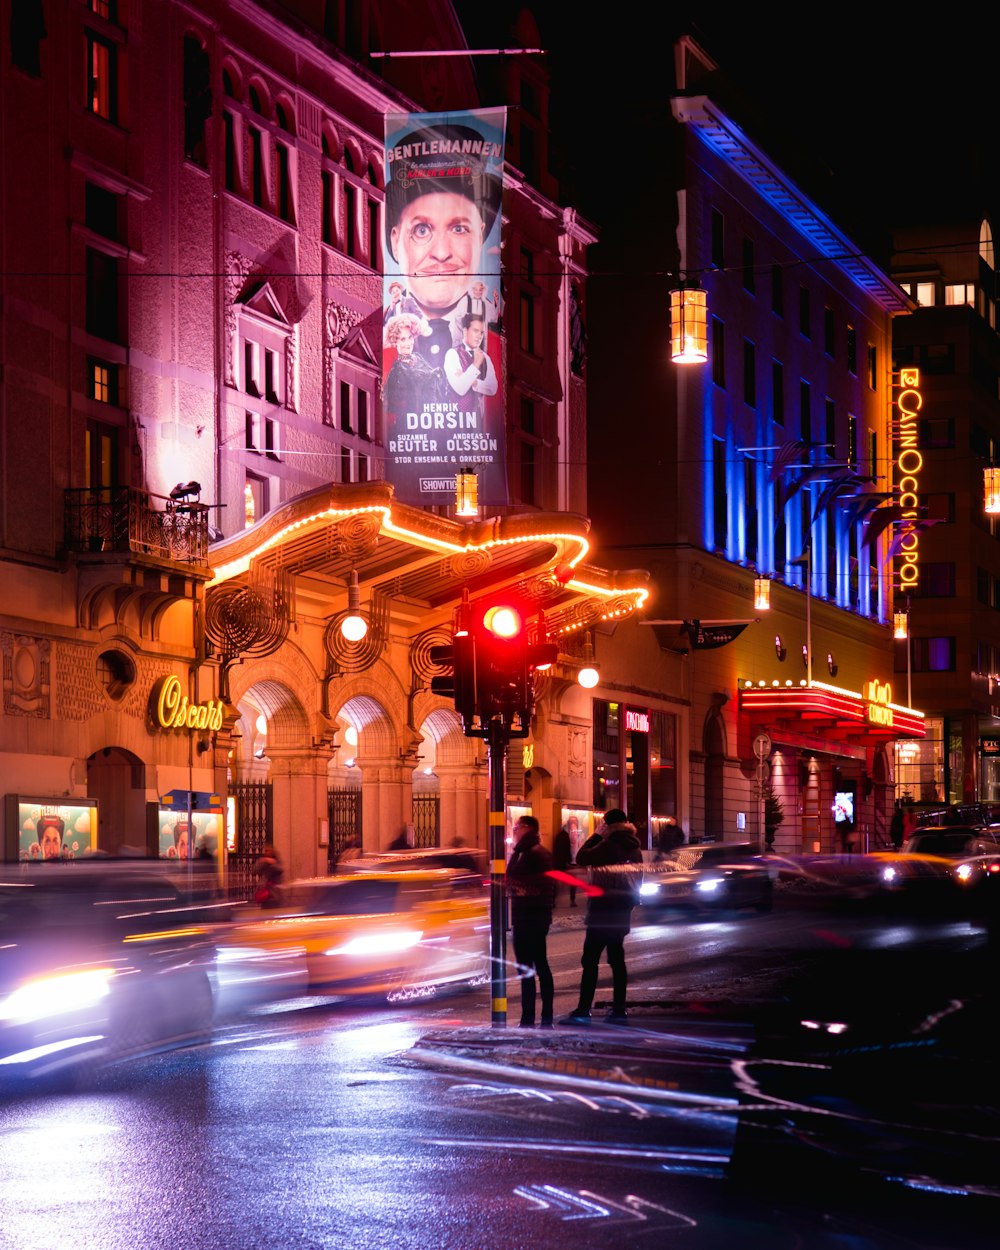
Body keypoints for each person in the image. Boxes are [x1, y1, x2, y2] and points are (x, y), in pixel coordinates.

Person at [384, 122, 501, 366]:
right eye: (422, 230)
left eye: (459, 229)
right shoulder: (387, 328)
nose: (441, 253)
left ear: (480, 236)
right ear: (395, 242)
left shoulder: (492, 322)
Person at [564, 809, 643, 1025]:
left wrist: (597, 834)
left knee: (590, 960)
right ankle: (619, 1010)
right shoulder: (634, 847)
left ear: (607, 825)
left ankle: (583, 1009)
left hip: (602, 910)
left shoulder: (608, 844)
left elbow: (581, 857)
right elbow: (638, 878)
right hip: (621, 911)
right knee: (617, 960)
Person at [506, 816, 556, 1028]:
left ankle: (546, 1017)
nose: (514, 830)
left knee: (540, 966)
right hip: (521, 916)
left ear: (528, 829)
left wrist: (517, 887)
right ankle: (527, 1018)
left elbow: (546, 885)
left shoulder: (537, 853)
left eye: (517, 827)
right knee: (525, 969)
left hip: (534, 917)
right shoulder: (519, 853)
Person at [383, 313, 445, 421]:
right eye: (403, 339)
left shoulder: (418, 357)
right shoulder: (397, 369)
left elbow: (433, 379)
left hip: (432, 417)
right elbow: (396, 402)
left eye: (410, 337)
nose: (408, 343)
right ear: (395, 341)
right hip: (413, 421)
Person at [443, 314, 497, 417]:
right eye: (475, 331)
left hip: (478, 420)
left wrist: (473, 381)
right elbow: (460, 388)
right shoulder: (452, 354)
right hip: (455, 419)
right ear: (465, 331)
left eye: (481, 332)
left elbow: (492, 388)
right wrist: (476, 364)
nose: (479, 336)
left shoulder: (485, 357)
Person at [552, 816, 580, 907]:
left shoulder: (562, 835)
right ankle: (571, 900)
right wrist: (566, 862)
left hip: (563, 863)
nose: (574, 833)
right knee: (570, 881)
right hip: (564, 863)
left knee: (558, 883)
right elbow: (562, 851)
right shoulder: (563, 836)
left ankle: (556, 901)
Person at [254, 841, 284, 908]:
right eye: (265, 851)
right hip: (265, 890)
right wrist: (261, 863)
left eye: (268, 850)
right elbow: (256, 871)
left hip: (274, 891)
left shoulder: (276, 860)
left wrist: (272, 863)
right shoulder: (263, 860)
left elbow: (280, 870)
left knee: (274, 907)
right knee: (265, 907)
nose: (267, 852)